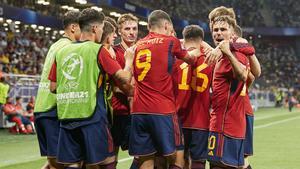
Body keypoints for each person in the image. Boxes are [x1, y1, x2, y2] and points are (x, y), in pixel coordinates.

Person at [48, 8, 133, 169]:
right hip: (91, 116)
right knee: (106, 161)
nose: (102, 32)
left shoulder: (62, 51)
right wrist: (128, 61)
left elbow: (53, 87)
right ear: (95, 28)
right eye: (102, 28)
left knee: (73, 163)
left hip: (67, 115)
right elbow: (124, 77)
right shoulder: (97, 50)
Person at [128, 10, 200, 169]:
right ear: (167, 25)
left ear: (148, 26)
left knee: (145, 159)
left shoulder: (138, 45)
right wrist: (197, 50)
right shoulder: (170, 41)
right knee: (176, 157)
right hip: (162, 110)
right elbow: (190, 59)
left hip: (139, 111)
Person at [34, 10, 81, 169]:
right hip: (53, 109)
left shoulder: (56, 45)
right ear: (74, 27)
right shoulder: (69, 48)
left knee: (52, 162)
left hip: (41, 107)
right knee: (68, 162)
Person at [206, 15, 252, 169]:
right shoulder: (238, 53)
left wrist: (228, 53)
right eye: (215, 30)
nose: (218, 33)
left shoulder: (231, 57)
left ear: (233, 34)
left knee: (217, 165)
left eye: (223, 29)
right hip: (235, 125)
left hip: (222, 126)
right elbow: (254, 73)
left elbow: (243, 75)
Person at [173, 25, 214, 169]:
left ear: (184, 39)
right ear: (201, 40)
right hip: (201, 120)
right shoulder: (210, 59)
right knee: (198, 161)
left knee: (178, 160)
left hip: (177, 119)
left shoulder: (175, 59)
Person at [111, 13, 139, 167]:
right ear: (119, 31)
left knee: (142, 155)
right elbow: (116, 85)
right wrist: (136, 91)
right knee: (111, 158)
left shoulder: (143, 50)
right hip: (117, 112)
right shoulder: (113, 52)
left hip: (136, 112)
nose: (131, 32)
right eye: (127, 28)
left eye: (134, 28)